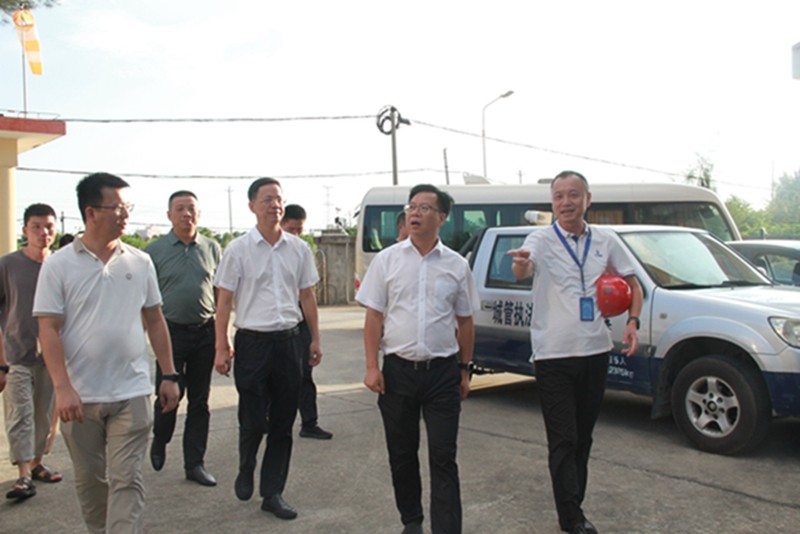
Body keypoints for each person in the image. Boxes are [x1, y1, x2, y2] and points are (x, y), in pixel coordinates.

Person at [33, 172, 180, 533]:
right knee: (90, 480)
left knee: (128, 480)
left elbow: (155, 320)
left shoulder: (140, 262)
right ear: (91, 212)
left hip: (132, 391)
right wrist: (62, 387)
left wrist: (169, 373)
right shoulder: (58, 265)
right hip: (79, 396)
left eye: (127, 207)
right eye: (118, 207)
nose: (125, 214)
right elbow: (48, 329)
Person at [507, 170, 643, 534]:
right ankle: (572, 519)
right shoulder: (540, 238)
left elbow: (634, 285)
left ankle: (574, 507)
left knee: (583, 438)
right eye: (559, 196)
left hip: (596, 351)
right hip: (553, 355)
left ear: (587, 199)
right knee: (563, 439)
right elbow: (523, 268)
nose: (566, 202)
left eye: (573, 195)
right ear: (552, 203)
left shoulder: (606, 240)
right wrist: (520, 263)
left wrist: (632, 322)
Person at [357, 184, 479, 534]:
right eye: (412, 206)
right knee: (401, 453)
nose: (415, 213)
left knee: (443, 456)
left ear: (441, 218)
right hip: (398, 373)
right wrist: (371, 366)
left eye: (425, 208)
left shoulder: (456, 265)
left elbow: (465, 322)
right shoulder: (387, 260)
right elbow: (374, 317)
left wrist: (464, 370)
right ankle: (411, 521)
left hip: (442, 373)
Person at [213, 177, 323, 520]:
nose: (274, 205)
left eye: (278, 199)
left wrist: (314, 338)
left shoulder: (298, 249)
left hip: (289, 341)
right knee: (253, 418)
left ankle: (272, 491)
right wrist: (221, 345)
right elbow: (224, 301)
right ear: (252, 206)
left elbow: (307, 296)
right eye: (267, 199)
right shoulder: (238, 249)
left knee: (282, 421)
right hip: (252, 343)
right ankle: (247, 465)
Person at [145, 191, 221, 486]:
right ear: (169, 215)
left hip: (205, 332)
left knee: (200, 402)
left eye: (191, 209)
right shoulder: (155, 251)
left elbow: (221, 293)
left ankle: (195, 463)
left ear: (199, 214)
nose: (186, 214)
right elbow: (146, 299)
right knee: (168, 397)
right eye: (179, 209)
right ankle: (160, 439)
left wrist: (222, 337)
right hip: (170, 333)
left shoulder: (212, 248)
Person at [1, 203, 62, 501]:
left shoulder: (61, 265)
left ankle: (37, 463)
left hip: (52, 357)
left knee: (44, 415)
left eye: (49, 227)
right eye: (36, 227)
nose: (43, 232)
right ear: (25, 230)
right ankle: (23, 475)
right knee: (20, 415)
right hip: (16, 354)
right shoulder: (7, 266)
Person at [280, 204, 332, 440]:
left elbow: (308, 296)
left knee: (304, 374)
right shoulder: (264, 251)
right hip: (274, 324)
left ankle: (309, 422)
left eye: (300, 230)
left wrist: (315, 338)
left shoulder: (302, 252)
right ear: (281, 224)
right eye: (291, 229)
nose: (295, 234)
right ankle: (267, 421)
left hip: (298, 321)